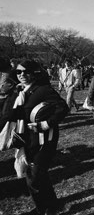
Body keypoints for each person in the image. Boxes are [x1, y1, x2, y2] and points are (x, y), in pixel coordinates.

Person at [12, 59, 69, 215]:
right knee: (39, 174)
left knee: (33, 175)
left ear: (33, 73)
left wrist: (46, 124)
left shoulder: (43, 90)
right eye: (18, 72)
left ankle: (43, 209)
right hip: (27, 140)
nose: (22, 74)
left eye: (26, 71)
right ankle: (52, 204)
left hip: (45, 139)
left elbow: (63, 107)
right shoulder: (19, 91)